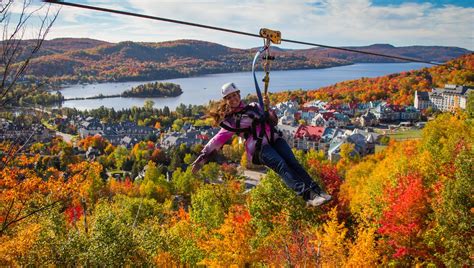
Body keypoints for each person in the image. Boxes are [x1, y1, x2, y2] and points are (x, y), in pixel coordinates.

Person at [191, 82, 331, 206]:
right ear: (226, 101)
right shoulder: (231, 121)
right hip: (260, 148)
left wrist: (267, 108)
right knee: (281, 165)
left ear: (239, 94)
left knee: (293, 163)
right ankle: (309, 196)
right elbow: (217, 140)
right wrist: (202, 157)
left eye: (235, 95)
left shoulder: (255, 106)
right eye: (230, 97)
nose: (234, 99)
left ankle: (318, 191)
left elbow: (273, 121)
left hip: (274, 139)